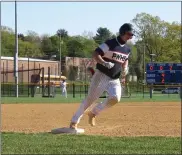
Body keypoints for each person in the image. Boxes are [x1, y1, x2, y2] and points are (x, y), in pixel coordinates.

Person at [69, 23, 134, 129]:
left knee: (116, 98)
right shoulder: (110, 43)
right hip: (101, 75)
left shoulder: (127, 49)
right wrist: (104, 62)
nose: (130, 36)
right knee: (90, 99)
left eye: (132, 35)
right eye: (129, 34)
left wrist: (125, 68)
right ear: (122, 32)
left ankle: (93, 113)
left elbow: (125, 60)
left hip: (114, 78)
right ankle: (74, 121)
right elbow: (96, 53)